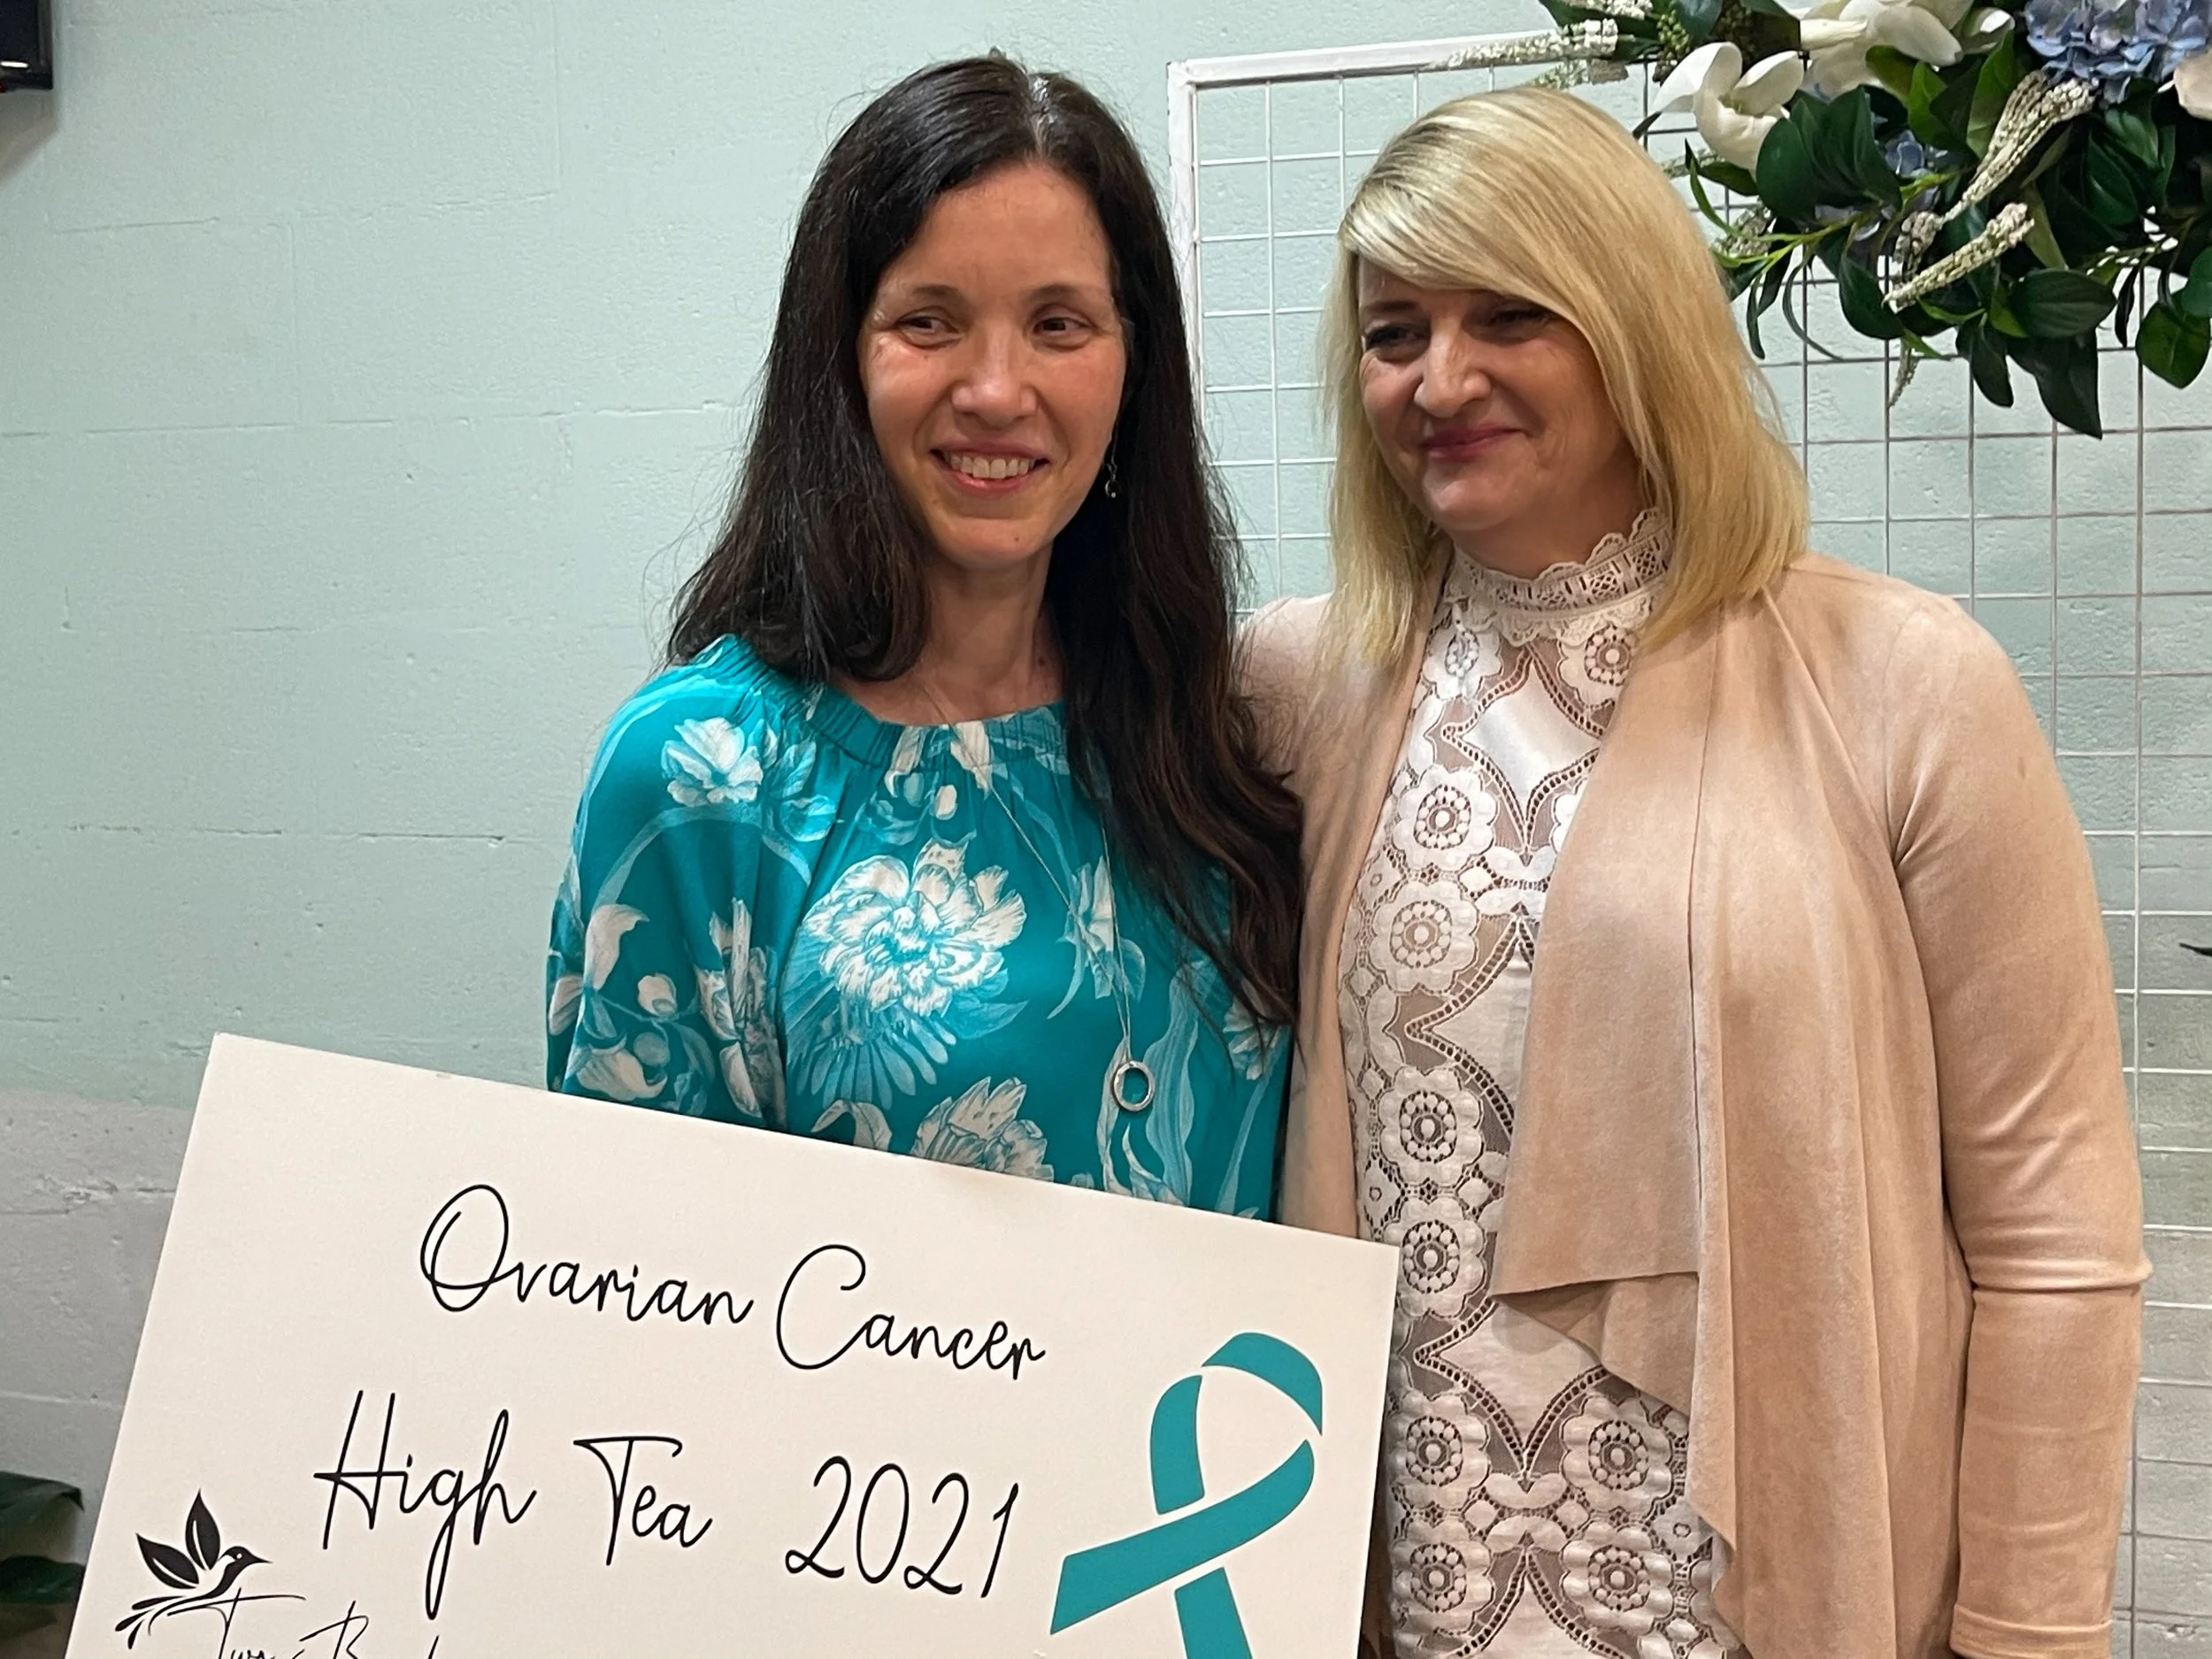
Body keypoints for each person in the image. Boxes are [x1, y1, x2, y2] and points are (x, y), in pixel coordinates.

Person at [1240, 88, 2147, 1659]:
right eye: (1395, 334)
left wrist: (2028, 1631)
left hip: (1767, 1603)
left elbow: (2056, 1233)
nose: (1441, 379)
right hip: (1409, 1595)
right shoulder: (1292, 689)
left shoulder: (1903, 681)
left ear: (1633, 322)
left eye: (1509, 314)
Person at [547, 56, 1302, 1217]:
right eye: (928, 321)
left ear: (1132, 364)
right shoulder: (698, 774)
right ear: (842, 359)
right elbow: (635, 1257)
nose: (996, 390)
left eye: (1058, 323)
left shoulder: (1205, 719)